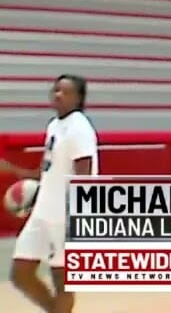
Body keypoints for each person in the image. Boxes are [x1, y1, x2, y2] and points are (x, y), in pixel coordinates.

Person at [1, 74, 98, 313]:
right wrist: (12, 170)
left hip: (65, 217)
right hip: (42, 212)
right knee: (20, 273)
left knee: (62, 282)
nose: (57, 95)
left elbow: (84, 176)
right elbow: (46, 171)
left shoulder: (79, 128)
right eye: (55, 90)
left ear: (78, 98)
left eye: (65, 91)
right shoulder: (54, 125)